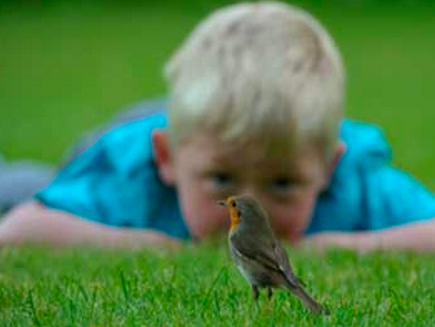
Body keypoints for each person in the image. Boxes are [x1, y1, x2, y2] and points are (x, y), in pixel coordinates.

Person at [1, 1, 435, 251]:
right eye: (222, 181)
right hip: (117, 143)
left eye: (283, 184)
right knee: (22, 187)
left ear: (326, 167)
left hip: (201, 134)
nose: (251, 214)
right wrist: (151, 247)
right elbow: (20, 229)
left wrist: (346, 248)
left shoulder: (354, 180)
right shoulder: (133, 182)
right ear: (167, 159)